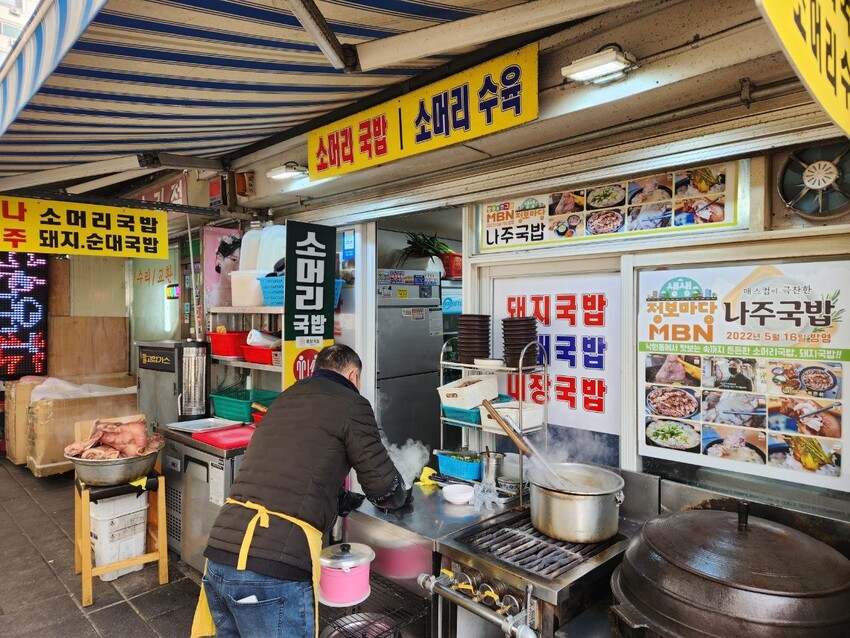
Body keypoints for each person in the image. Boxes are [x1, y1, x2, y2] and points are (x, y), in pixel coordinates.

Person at [192, 344, 411, 638]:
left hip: (220, 558)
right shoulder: (351, 403)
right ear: (354, 376)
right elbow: (383, 487)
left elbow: (292, 474)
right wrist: (400, 498)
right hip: (272, 569)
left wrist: (342, 500)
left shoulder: (284, 400)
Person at [207, 234, 241, 307]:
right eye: (234, 260)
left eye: (242, 261)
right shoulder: (211, 296)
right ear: (219, 258)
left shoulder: (245, 293)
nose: (238, 267)